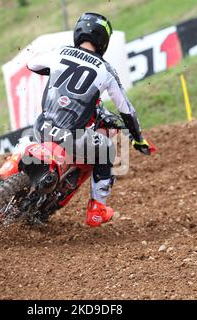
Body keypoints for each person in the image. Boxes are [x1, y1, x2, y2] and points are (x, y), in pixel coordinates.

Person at [26, 12, 154, 227]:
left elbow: (32, 65)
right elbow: (127, 110)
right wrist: (138, 138)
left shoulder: (59, 52)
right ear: (104, 41)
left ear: (78, 32)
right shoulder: (105, 70)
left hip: (42, 127)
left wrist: (55, 70)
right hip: (73, 136)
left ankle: (10, 171)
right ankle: (97, 210)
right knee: (106, 150)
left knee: (29, 141)